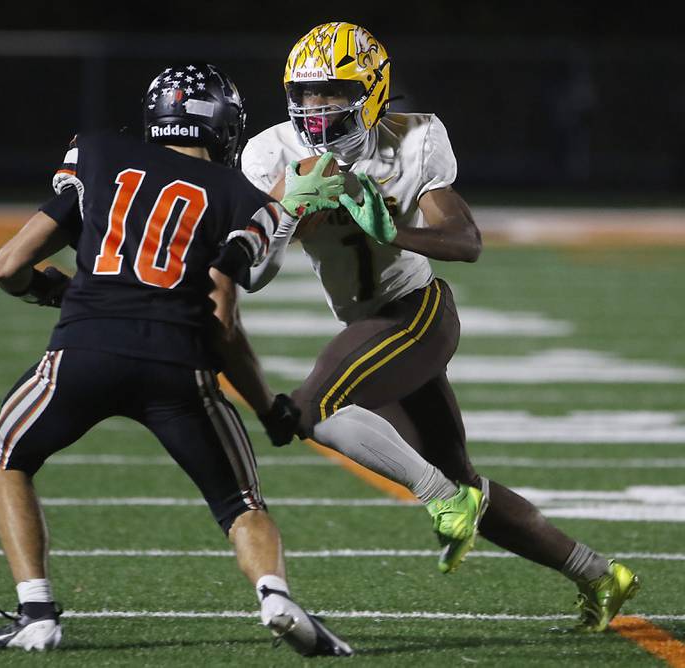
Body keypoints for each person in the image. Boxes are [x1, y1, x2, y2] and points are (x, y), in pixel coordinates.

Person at [240, 22, 640, 632]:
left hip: (416, 312)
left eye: (333, 91)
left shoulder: (415, 136)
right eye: (306, 92)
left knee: (313, 407)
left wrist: (391, 229)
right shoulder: (270, 152)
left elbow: (466, 241)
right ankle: (598, 574)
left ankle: (439, 498)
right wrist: (286, 206)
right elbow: (255, 274)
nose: (316, 108)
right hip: (368, 324)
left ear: (372, 89)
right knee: (464, 477)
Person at [0, 62, 354, 656]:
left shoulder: (97, 156)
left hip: (85, 351)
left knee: (9, 457)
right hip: (180, 365)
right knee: (240, 506)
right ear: (224, 128)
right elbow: (223, 324)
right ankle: (275, 596)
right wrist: (267, 408)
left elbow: (7, 266)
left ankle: (37, 612)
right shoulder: (239, 197)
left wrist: (56, 293)